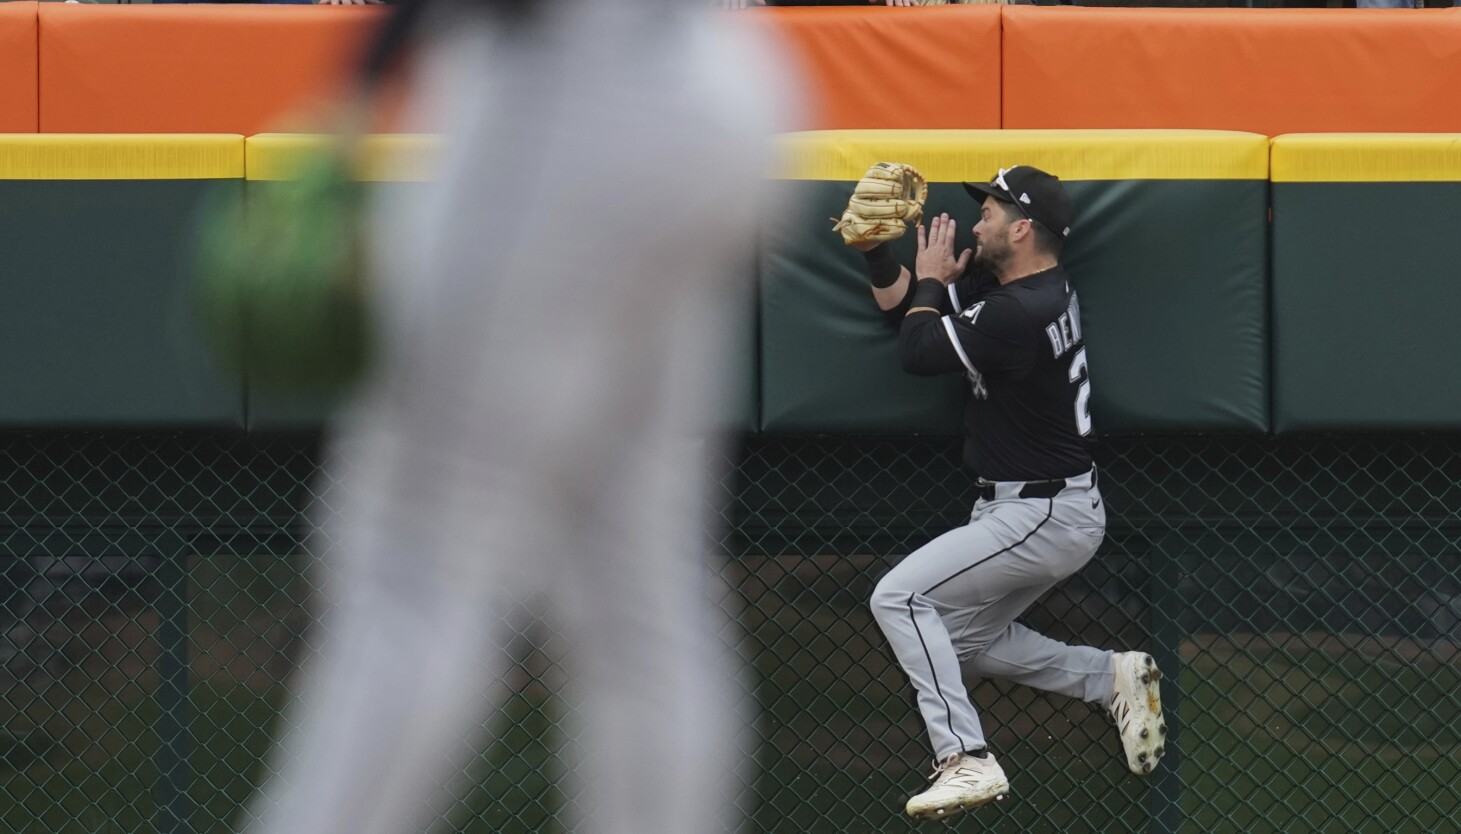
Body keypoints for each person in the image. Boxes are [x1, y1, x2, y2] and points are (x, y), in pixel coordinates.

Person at [232, 2, 793, 834]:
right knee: (636, 590)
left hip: (566, 96)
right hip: (730, 92)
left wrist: (354, 89)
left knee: (410, 570)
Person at [849, 165, 1166, 822]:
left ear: (1022, 229)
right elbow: (908, 311)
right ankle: (1105, 677)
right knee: (959, 644)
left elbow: (918, 346)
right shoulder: (1025, 291)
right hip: (1042, 506)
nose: (976, 220)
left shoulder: (1017, 312)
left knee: (899, 597)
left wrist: (935, 279)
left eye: (990, 210)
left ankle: (964, 757)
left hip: (1041, 510)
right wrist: (878, 255)